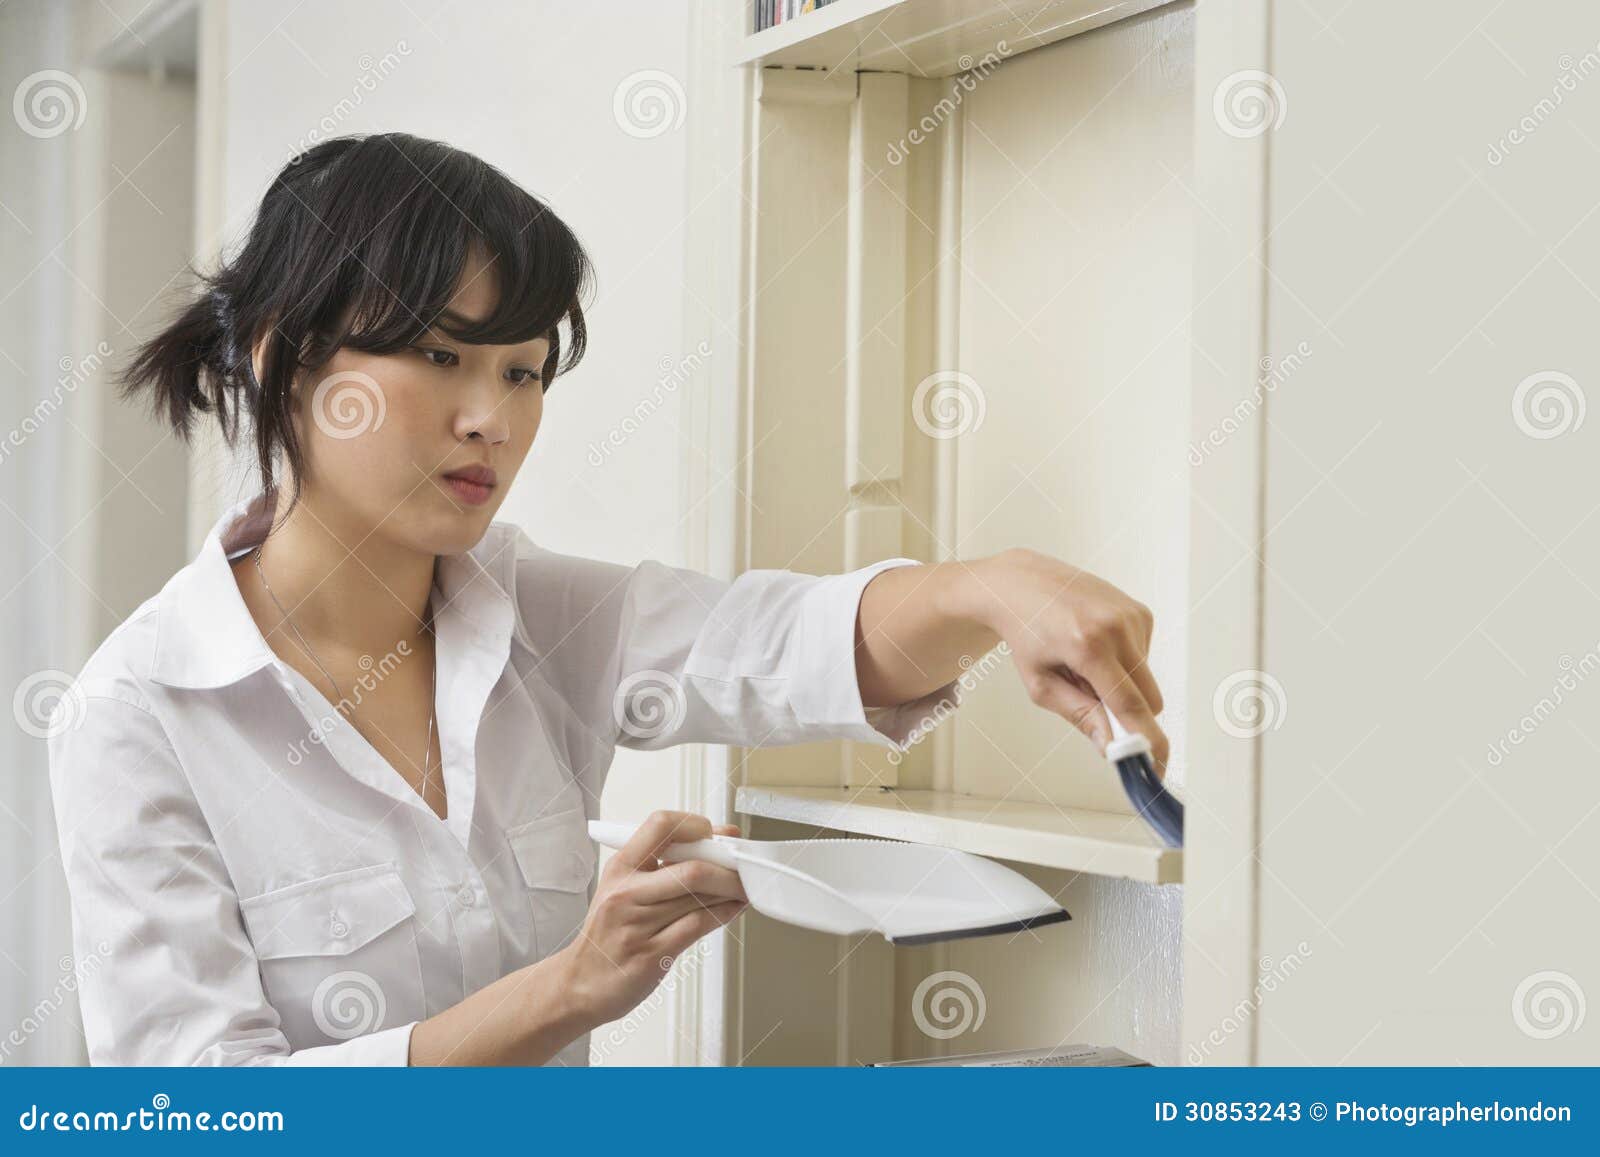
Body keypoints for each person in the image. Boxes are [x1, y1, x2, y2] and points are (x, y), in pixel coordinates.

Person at [46, 132, 1167, 1066]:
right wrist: (571, 987)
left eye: (523, 370)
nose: (490, 415)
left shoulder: (534, 613)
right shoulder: (139, 713)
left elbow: (783, 646)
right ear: (284, 355)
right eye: (441, 354)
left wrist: (995, 588)